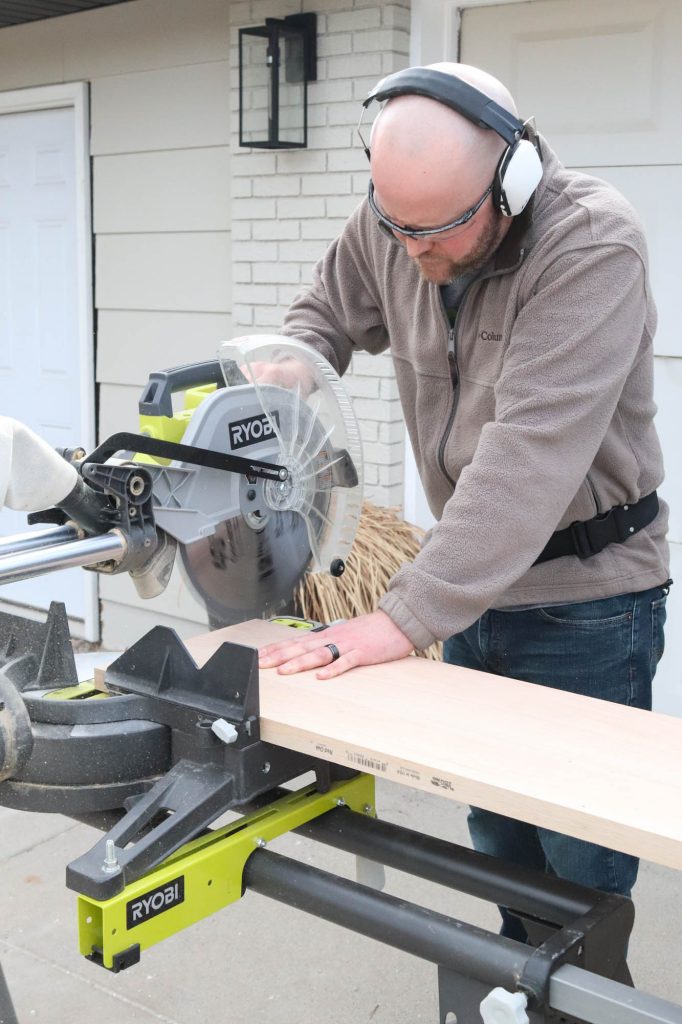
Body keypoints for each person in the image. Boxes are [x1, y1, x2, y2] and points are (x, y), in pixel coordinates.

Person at [257, 62, 671, 934]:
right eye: (395, 226)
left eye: (437, 232)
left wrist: (401, 617)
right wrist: (297, 357)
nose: (414, 254)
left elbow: (528, 458)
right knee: (496, 836)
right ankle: (519, 983)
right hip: (471, 585)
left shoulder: (591, 246)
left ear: (512, 183)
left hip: (585, 601)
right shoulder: (399, 218)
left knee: (580, 862)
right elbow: (328, 308)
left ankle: (579, 994)